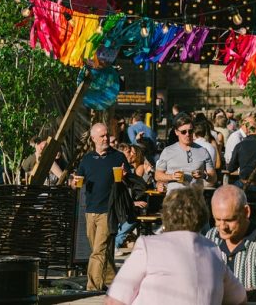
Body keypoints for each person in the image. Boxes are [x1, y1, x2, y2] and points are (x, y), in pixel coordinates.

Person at [105, 187, 246, 305]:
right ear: (203, 216)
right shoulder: (213, 251)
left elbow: (115, 300)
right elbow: (239, 298)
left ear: (165, 214)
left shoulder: (149, 247)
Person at [206, 185, 256, 301]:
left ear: (246, 211)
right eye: (217, 220)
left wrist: (239, 296)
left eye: (230, 220)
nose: (223, 227)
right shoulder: (211, 237)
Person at [75, 122, 129, 291]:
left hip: (108, 209)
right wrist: (74, 183)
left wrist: (126, 176)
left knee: (98, 251)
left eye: (107, 135)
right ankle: (115, 281)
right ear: (93, 139)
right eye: (102, 136)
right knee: (100, 250)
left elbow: (130, 179)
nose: (106, 138)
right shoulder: (87, 159)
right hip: (90, 211)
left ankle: (93, 287)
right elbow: (77, 179)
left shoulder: (118, 157)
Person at [155, 113, 214, 192]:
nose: (188, 134)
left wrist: (204, 175)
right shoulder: (168, 151)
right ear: (176, 132)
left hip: (195, 199)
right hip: (174, 199)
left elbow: (214, 178)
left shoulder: (203, 151)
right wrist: (172, 176)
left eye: (190, 131)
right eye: (183, 132)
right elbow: (157, 175)